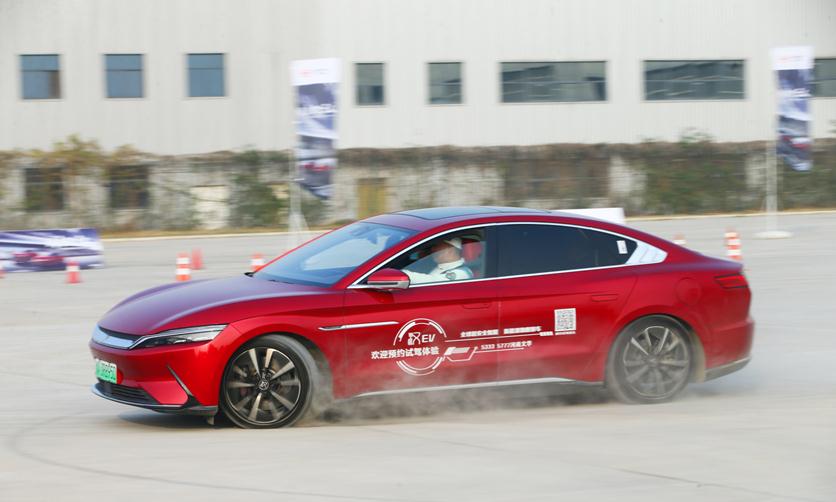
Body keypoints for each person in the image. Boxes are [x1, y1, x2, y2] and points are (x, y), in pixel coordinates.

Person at [402, 237, 473, 285]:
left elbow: (432, 282)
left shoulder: (461, 273)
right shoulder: (437, 264)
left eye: (437, 246)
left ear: (450, 250)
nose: (433, 249)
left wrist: (403, 274)